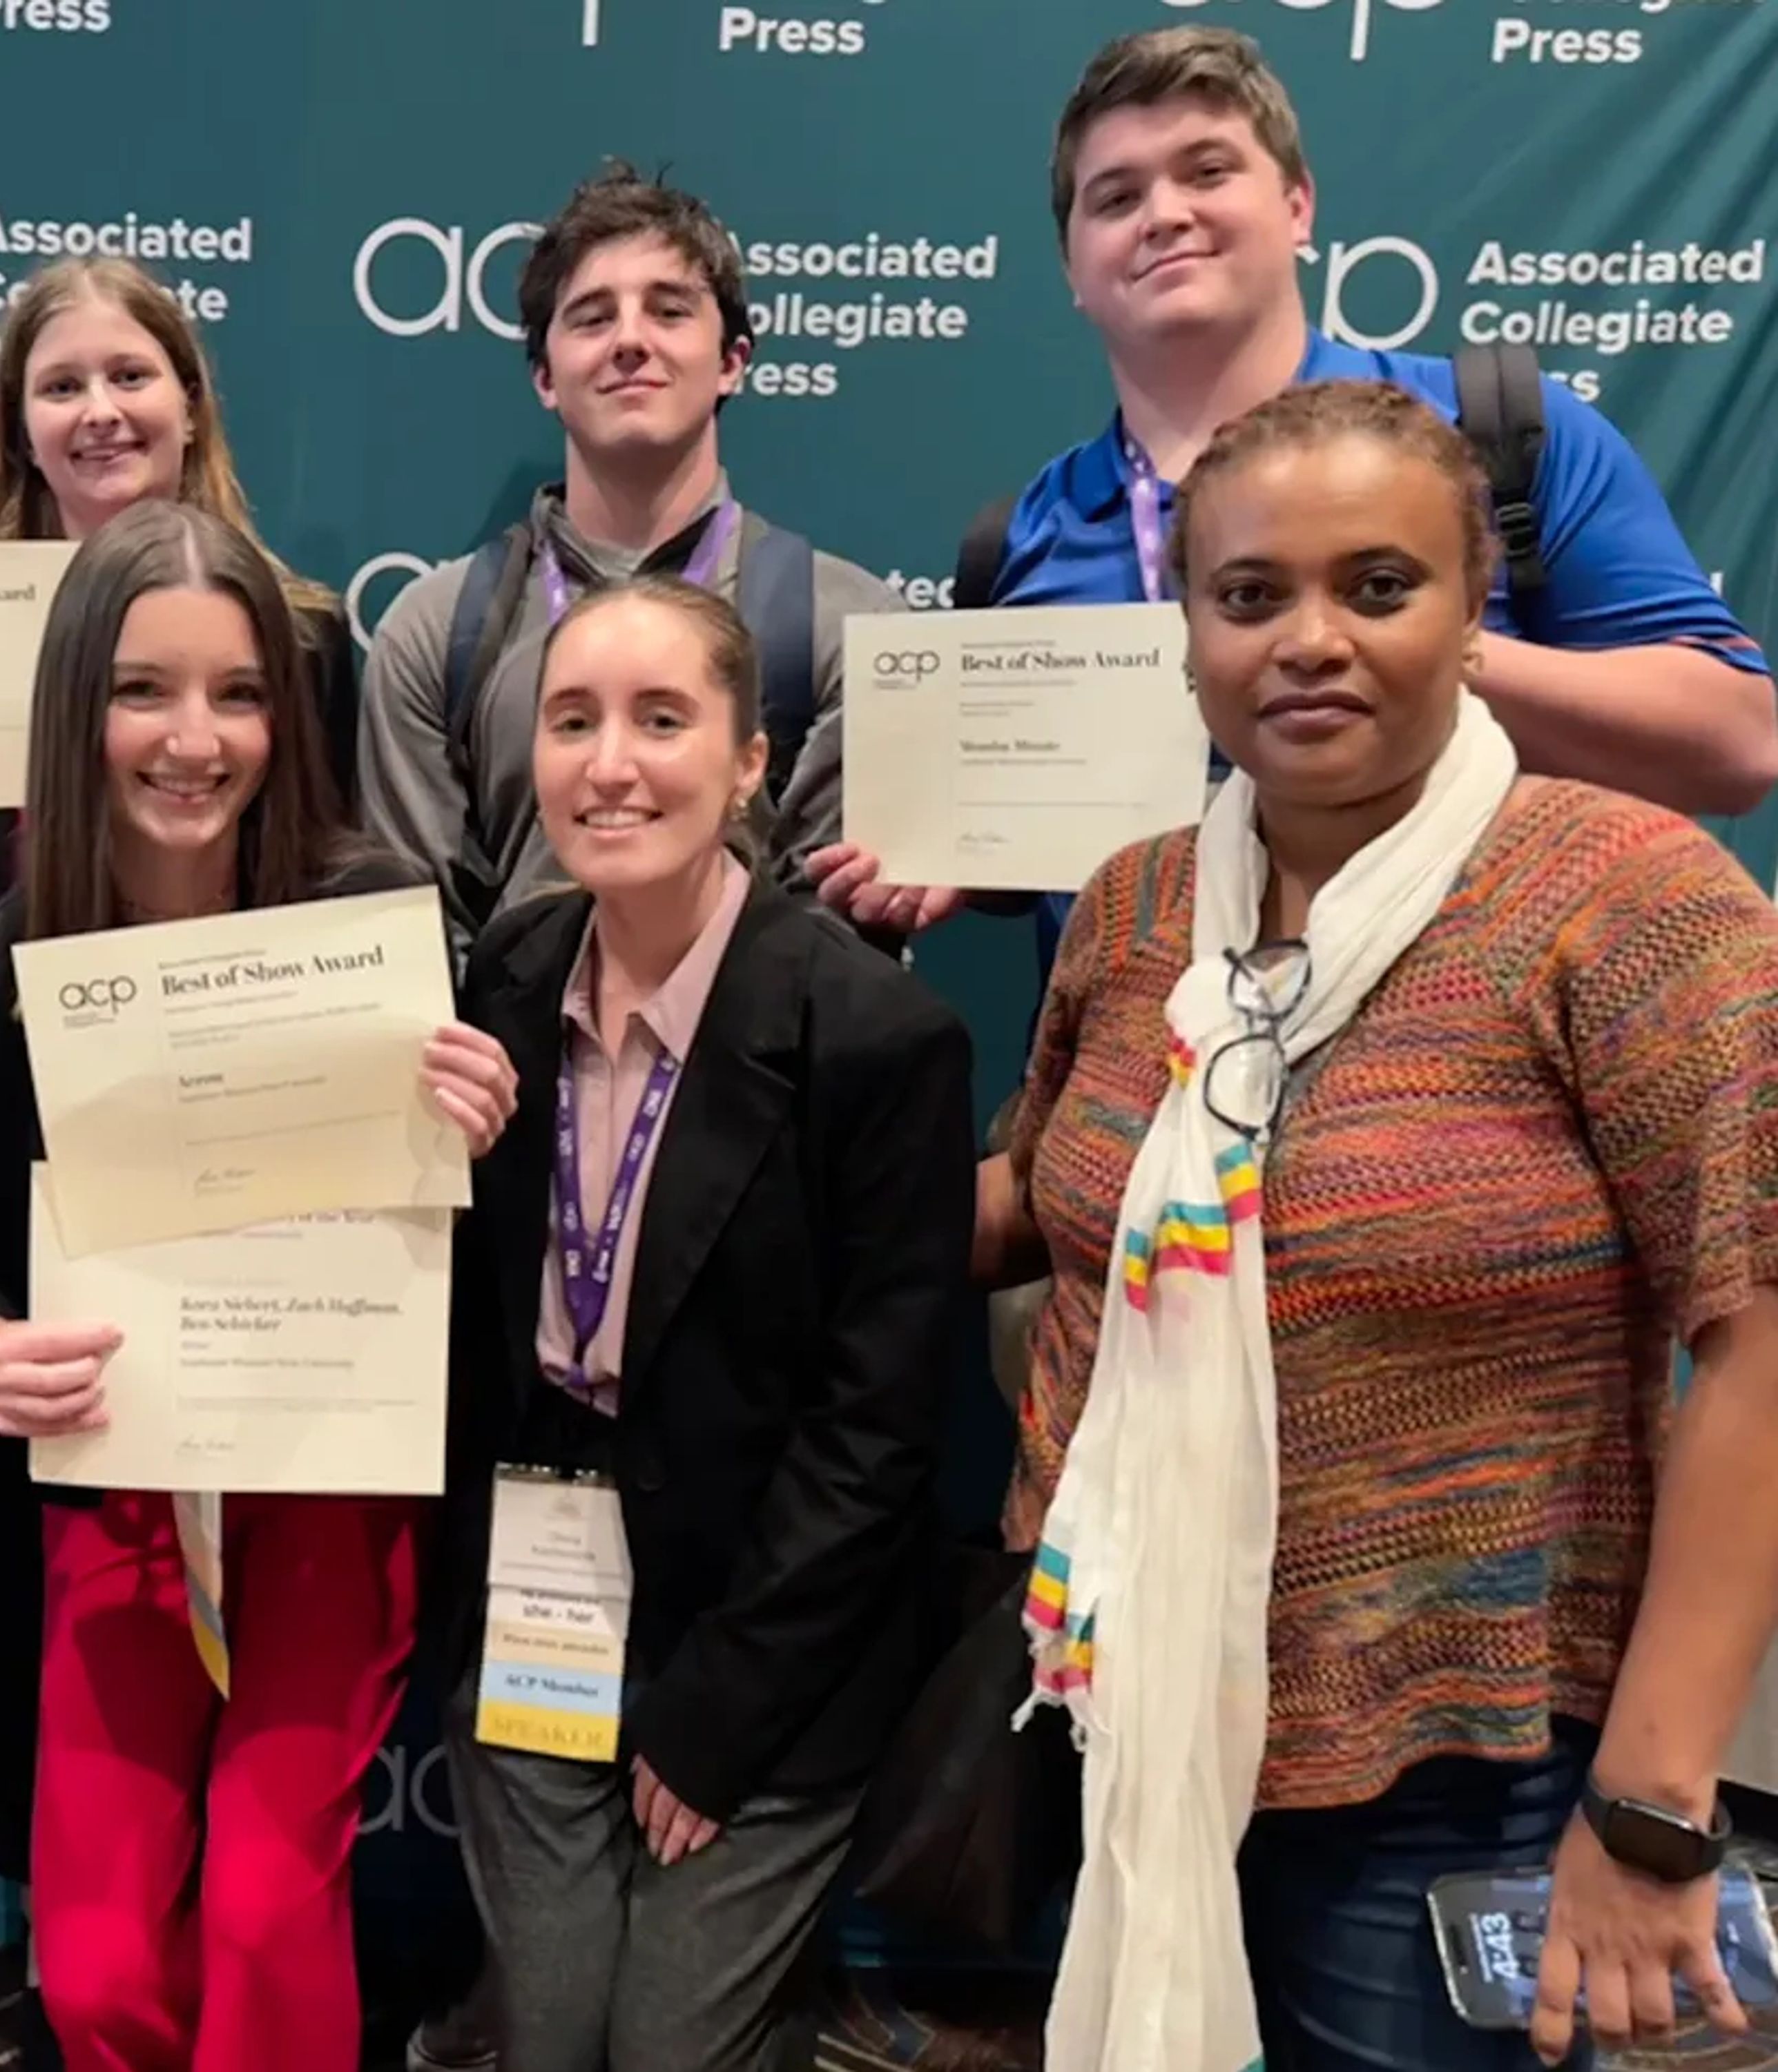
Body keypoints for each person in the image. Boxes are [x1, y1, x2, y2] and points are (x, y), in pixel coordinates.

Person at [978, 379, 1778, 2070]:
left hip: (1454, 1777)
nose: (1307, 641)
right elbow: (1036, 1195)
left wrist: (1648, 1813)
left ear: (1475, 613)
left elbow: (1763, 1332)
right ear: (1185, 628)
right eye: (1248, 595)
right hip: (1115, 1730)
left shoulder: (1630, 902)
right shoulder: (1130, 904)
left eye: (1378, 586)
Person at [0, 499, 519, 2072]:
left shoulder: (367, 924)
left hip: (327, 1488)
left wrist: (471, 1125)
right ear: (74, 708)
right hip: (118, 1504)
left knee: (263, 1916)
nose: (194, 738)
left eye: (240, 692)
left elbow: (458, 1255)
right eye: (143, 689)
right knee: (102, 1965)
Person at [806, 26, 1775, 963]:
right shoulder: (1025, 536)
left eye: (1208, 170)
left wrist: (1411, 647)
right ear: (1073, 269)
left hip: (1469, 1068)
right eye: (1115, 196)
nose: (1165, 213)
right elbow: (1040, 861)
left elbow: (1737, 745)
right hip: (1148, 1078)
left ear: (1300, 206)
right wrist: (962, 860)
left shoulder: (1500, 433)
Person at [436, 576, 975, 2072]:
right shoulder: (509, 979)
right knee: (553, 2039)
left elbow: (877, 1436)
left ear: (750, 762)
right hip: (543, 1600)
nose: (611, 765)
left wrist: (724, 1714)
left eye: (662, 720)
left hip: (771, 1633)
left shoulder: (879, 1039)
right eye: (573, 722)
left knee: (665, 2053)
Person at [359, 162, 898, 964]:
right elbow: (418, 948)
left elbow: (838, 949)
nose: (631, 341)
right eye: (591, 318)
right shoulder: (435, 633)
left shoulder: (854, 627)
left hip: (767, 1080)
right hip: (512, 1079)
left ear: (732, 361)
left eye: (670, 310)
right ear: (545, 376)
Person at [0, 253, 362, 803]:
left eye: (129, 377)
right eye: (63, 388)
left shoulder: (302, 639)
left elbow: (328, 867)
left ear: (190, 409)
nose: (100, 411)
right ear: (22, 433)